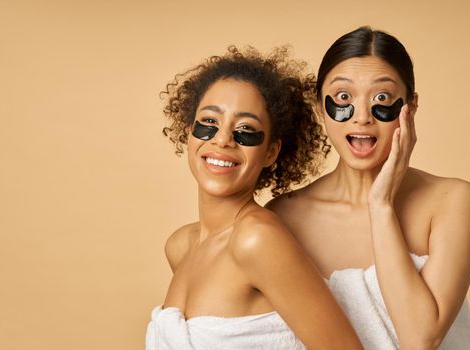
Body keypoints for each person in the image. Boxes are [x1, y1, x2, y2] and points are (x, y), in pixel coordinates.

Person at [268, 26, 470, 349]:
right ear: (320, 106)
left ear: (411, 106)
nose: (362, 116)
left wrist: (380, 205)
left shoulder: (453, 202)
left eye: (382, 98)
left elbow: (420, 340)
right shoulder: (283, 217)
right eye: (343, 98)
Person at [146, 46, 363, 349]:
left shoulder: (257, 239)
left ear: (271, 152)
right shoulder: (181, 247)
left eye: (246, 129)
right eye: (209, 122)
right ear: (189, 132)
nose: (222, 139)